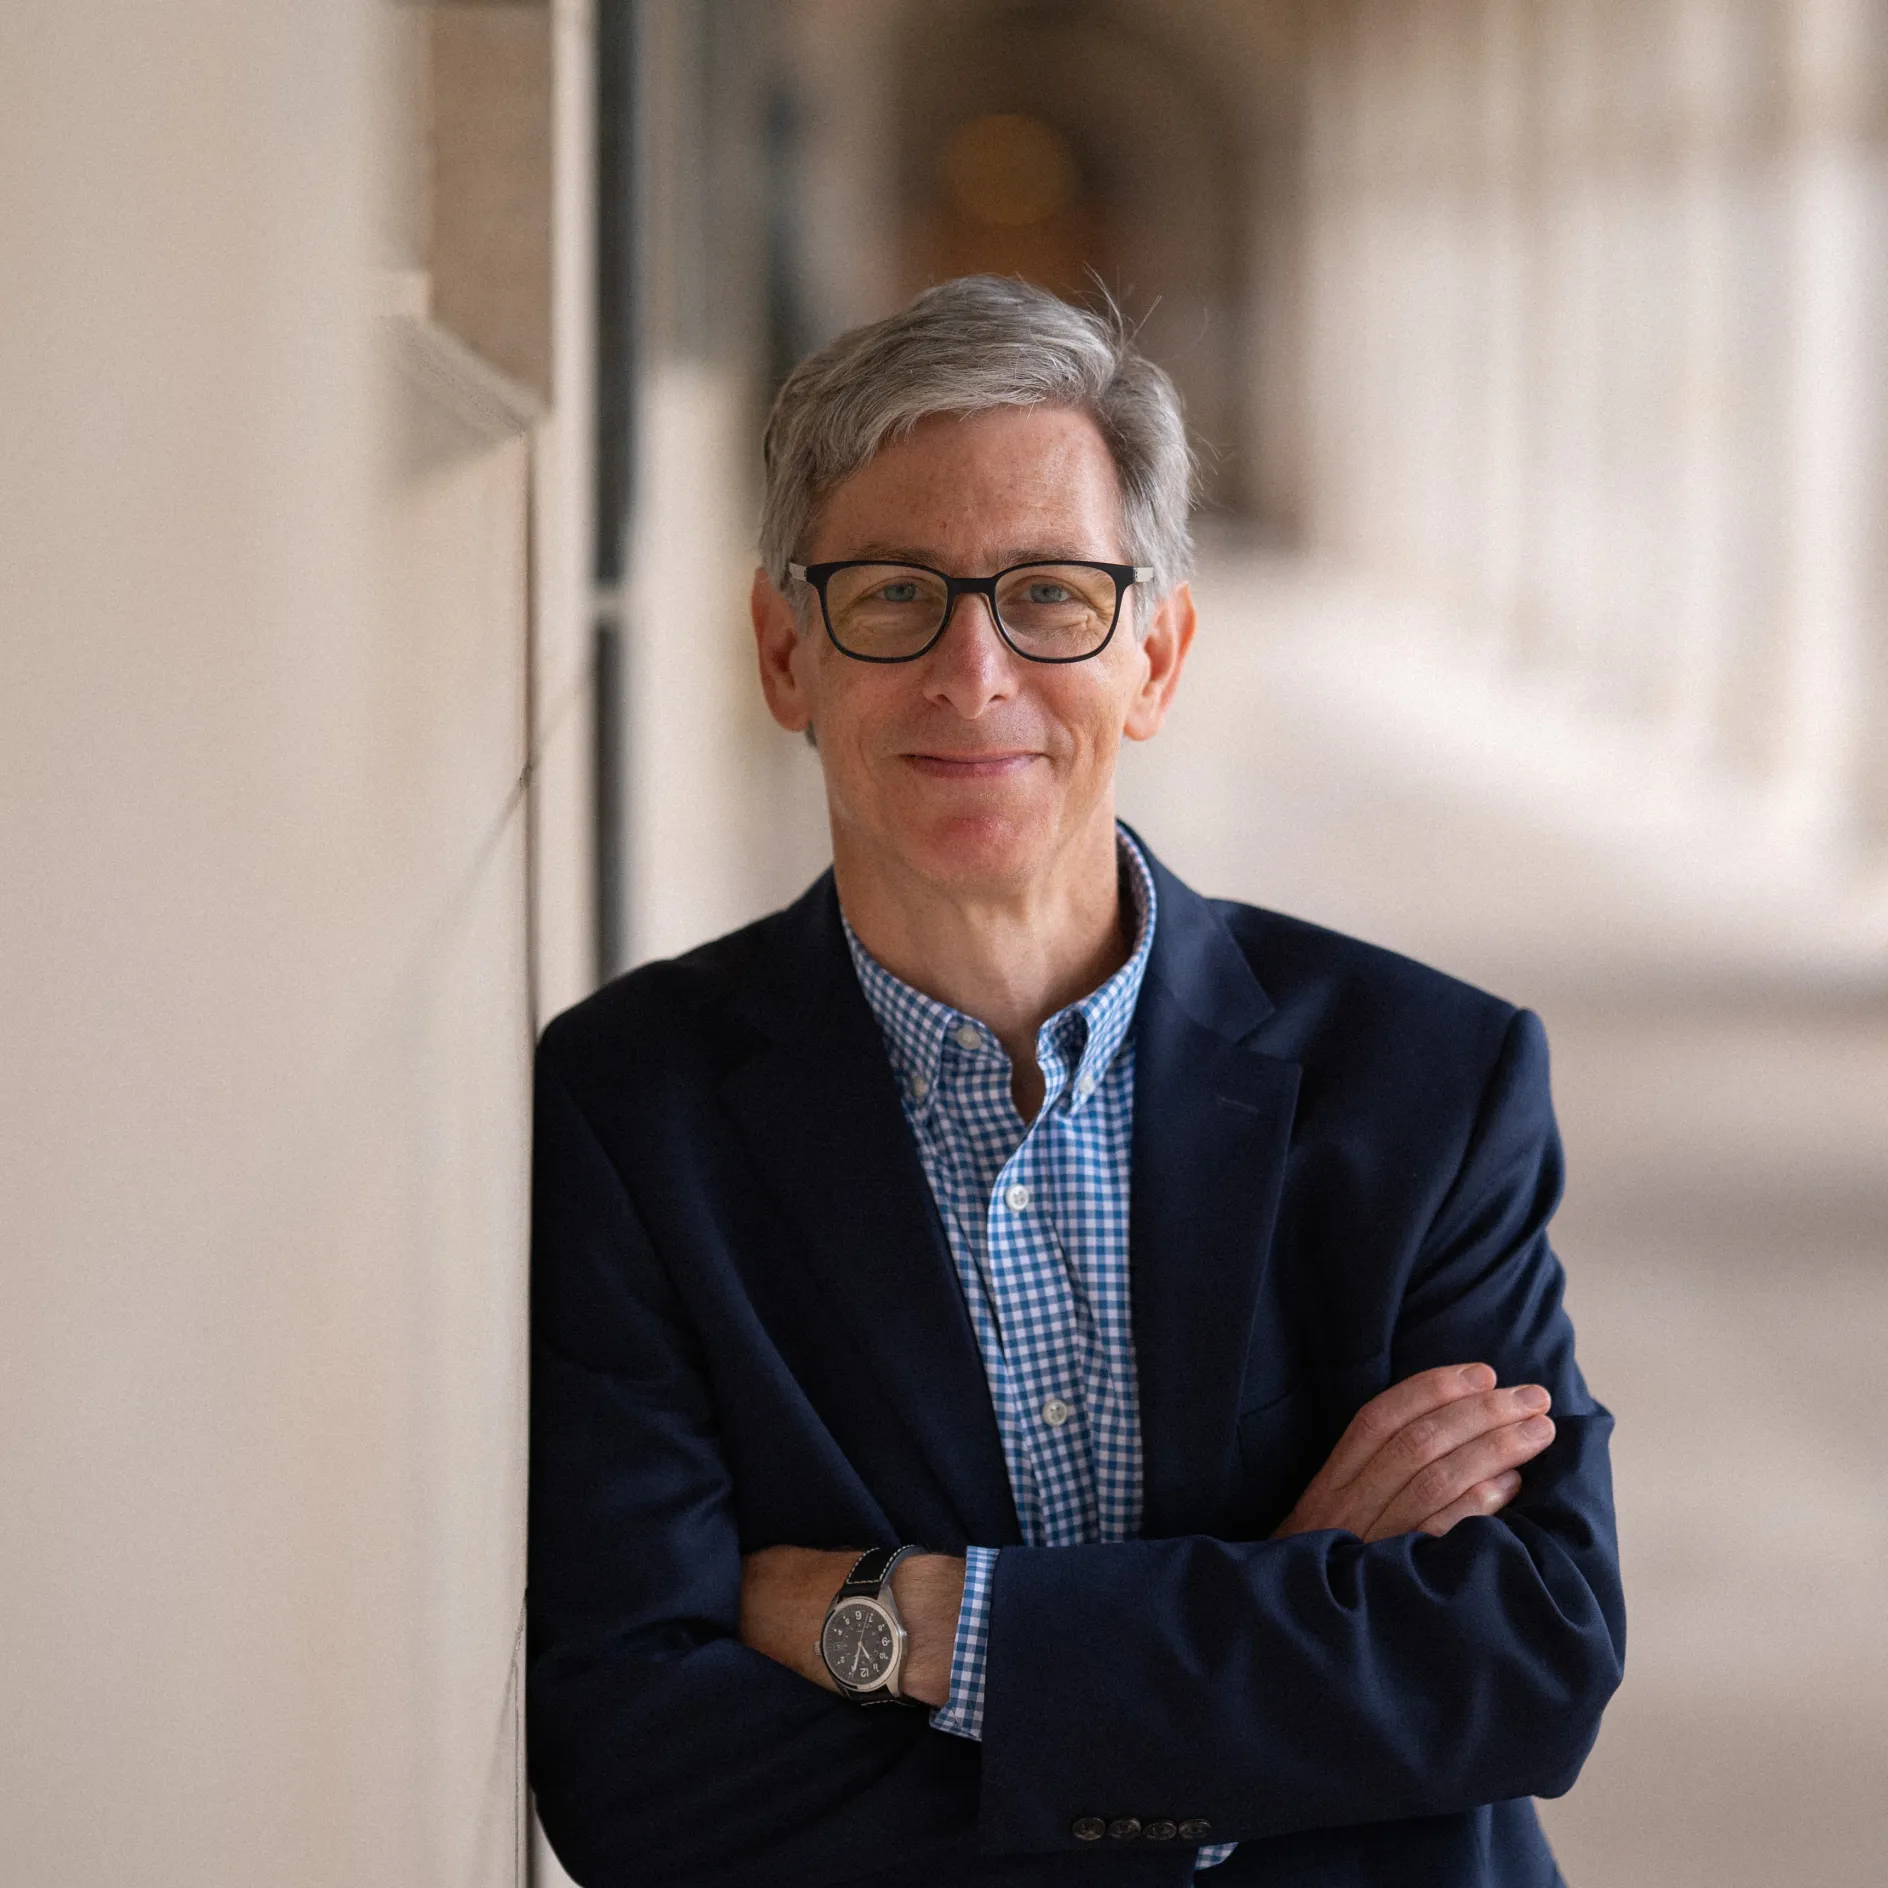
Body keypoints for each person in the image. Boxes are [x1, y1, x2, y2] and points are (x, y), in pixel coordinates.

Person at [526, 276, 1623, 1888]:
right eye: (895, 595)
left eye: (1050, 595)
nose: (974, 676)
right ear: (784, 652)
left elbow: (1524, 1654)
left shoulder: (1428, 1079)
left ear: (1159, 658)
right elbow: (644, 1774)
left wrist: (923, 1626)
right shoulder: (634, 1112)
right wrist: (1268, 1653)